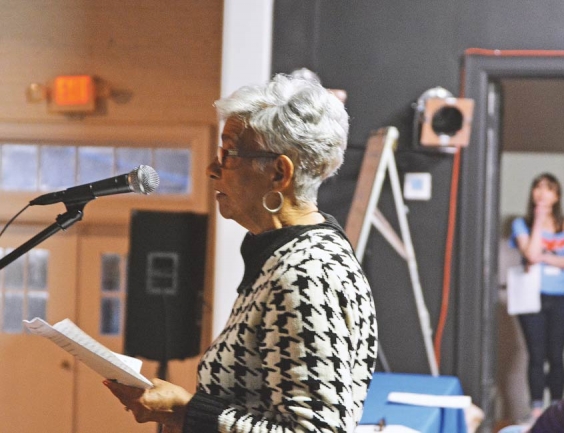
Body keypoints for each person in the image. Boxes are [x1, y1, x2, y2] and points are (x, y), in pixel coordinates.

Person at [104, 73, 378, 432]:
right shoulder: (288, 257)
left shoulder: (305, 273)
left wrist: (187, 411)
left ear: (279, 173)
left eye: (228, 152)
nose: (212, 168)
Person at [510, 173, 564, 421]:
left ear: (557, 195)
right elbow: (530, 254)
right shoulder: (522, 224)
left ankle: (558, 410)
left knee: (556, 355)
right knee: (536, 354)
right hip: (532, 297)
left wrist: (547, 258)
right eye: (538, 187)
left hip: (561, 298)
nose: (542, 193)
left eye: (549, 188)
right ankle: (538, 410)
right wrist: (539, 219)